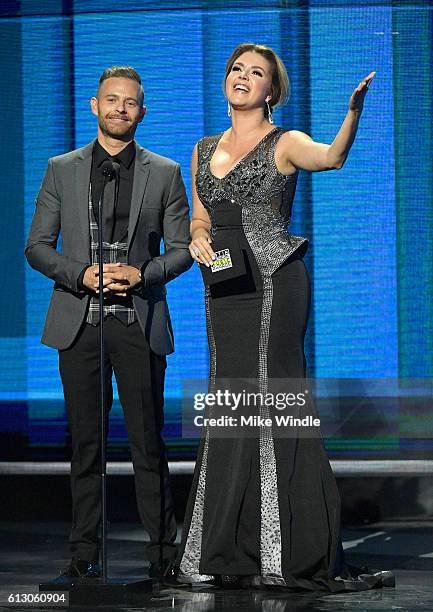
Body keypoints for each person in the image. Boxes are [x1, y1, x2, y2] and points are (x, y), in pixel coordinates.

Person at [177, 43, 394, 591]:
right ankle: (228, 545)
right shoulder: (204, 148)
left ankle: (284, 547)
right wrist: (198, 239)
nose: (242, 77)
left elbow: (332, 158)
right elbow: (199, 218)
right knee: (229, 399)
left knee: (272, 395)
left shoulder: (286, 140)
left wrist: (352, 114)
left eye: (256, 73)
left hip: (275, 281)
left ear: (271, 90)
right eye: (236, 69)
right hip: (224, 288)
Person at [25, 66, 192, 581]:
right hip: (80, 323)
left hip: (138, 321)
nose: (121, 109)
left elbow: (184, 250)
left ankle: (164, 553)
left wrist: (142, 273)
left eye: (131, 102)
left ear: (143, 111)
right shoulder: (62, 168)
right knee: (86, 444)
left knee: (148, 442)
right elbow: (36, 246)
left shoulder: (163, 172)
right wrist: (82, 274)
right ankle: (84, 551)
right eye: (112, 100)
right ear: (93, 106)